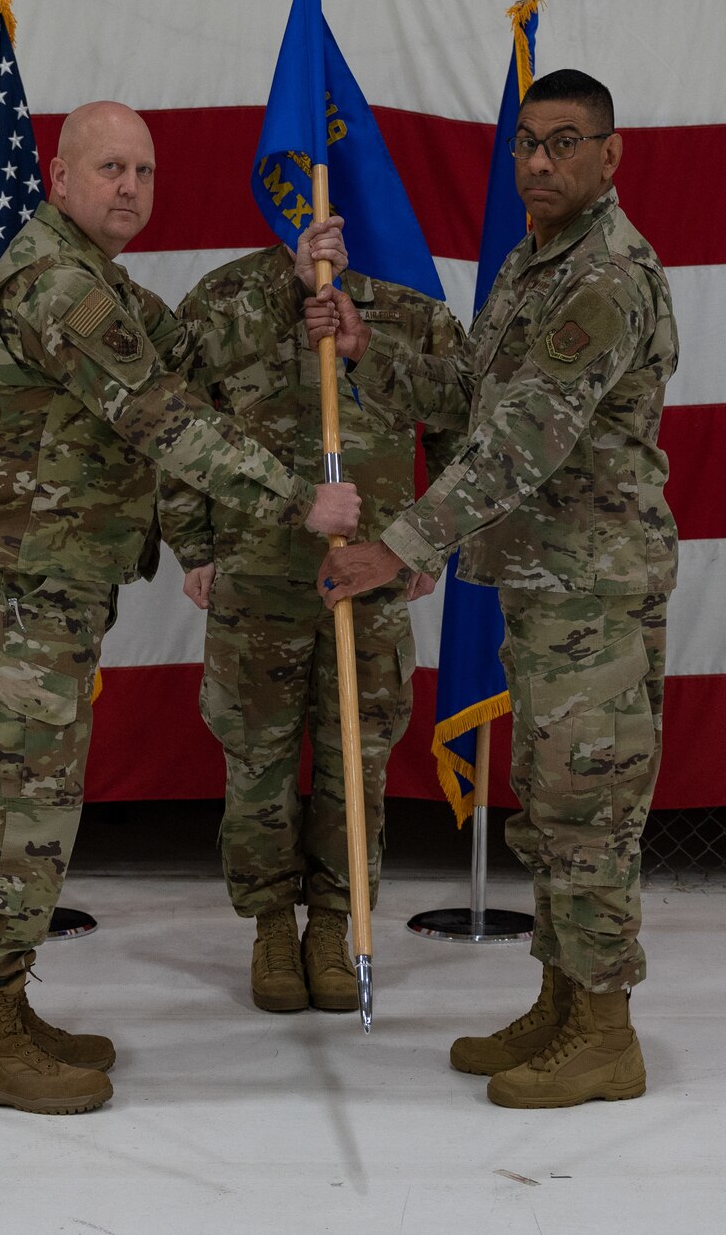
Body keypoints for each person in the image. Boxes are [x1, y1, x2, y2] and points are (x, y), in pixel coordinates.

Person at [0, 101, 361, 1114]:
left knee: (35, 801)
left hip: (44, 587)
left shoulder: (95, 280)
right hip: (14, 592)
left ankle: (5, 1001)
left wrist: (292, 280)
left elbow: (194, 351)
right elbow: (168, 418)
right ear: (59, 175)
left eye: (144, 171)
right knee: (18, 810)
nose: (129, 187)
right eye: (109, 167)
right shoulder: (55, 288)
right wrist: (302, 498)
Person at [308, 69, 678, 1109]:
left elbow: (523, 439)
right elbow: (479, 397)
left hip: (595, 589)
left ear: (610, 154)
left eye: (564, 142)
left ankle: (605, 1030)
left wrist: (398, 543)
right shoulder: (531, 263)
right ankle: (562, 1003)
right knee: (556, 808)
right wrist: (366, 348)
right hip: (544, 583)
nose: (539, 162)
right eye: (526, 142)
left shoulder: (605, 273)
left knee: (590, 811)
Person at [161, 219, 465, 1014]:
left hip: (367, 575)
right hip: (255, 574)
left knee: (355, 761)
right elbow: (175, 422)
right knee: (256, 761)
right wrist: (193, 543)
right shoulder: (226, 301)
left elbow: (466, 423)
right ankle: (268, 925)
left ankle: (335, 925)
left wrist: (424, 546)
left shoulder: (412, 308)